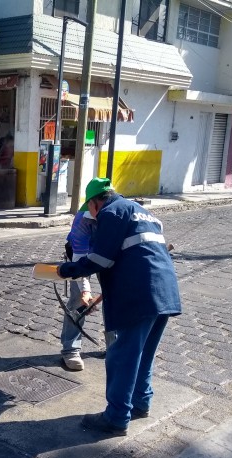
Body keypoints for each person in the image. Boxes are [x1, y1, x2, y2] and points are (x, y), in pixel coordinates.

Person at [58, 177, 181, 436]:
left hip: (138, 294)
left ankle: (115, 417)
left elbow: (100, 259)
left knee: (121, 355)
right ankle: (140, 402)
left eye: (89, 209)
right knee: (143, 353)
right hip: (165, 291)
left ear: (94, 203)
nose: (90, 215)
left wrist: (66, 270)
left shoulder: (111, 212)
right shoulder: (142, 212)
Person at [60, 198, 100, 371]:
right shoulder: (81, 220)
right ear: (92, 205)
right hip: (82, 256)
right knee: (78, 302)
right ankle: (71, 349)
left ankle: (115, 345)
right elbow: (79, 260)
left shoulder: (118, 214)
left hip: (106, 253)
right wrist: (86, 291)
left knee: (115, 296)